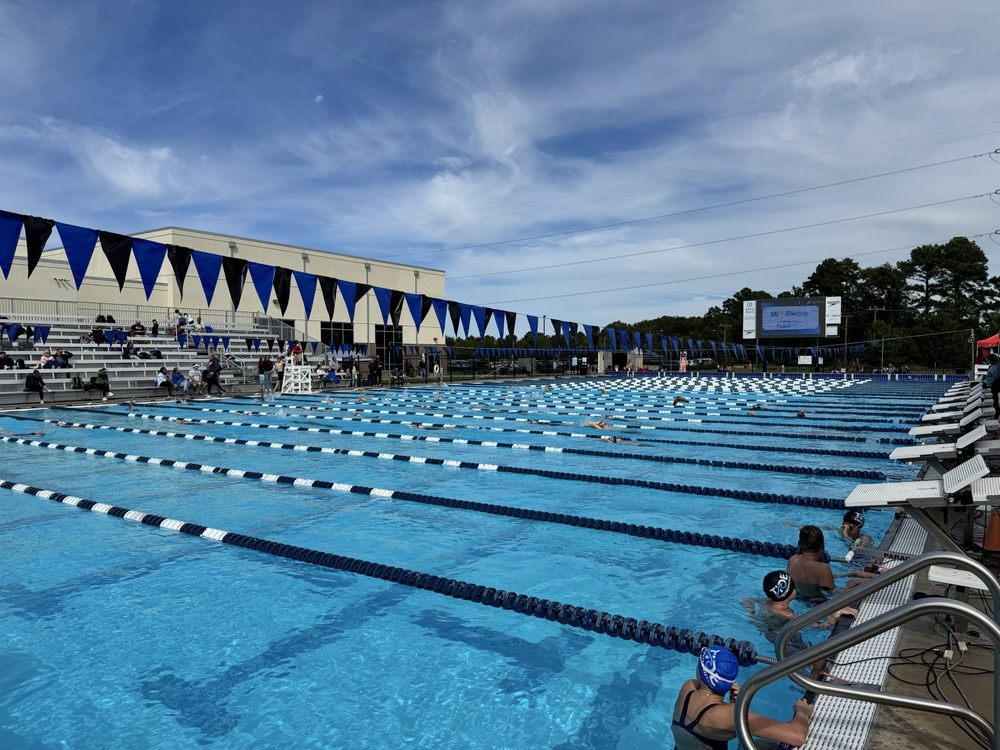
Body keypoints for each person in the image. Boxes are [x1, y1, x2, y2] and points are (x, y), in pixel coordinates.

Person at [671, 645, 813, 749]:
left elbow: (716, 719)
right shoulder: (728, 714)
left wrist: (733, 704)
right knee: (766, 746)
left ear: (700, 673)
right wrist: (802, 712)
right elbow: (797, 736)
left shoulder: (688, 688)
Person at [787, 526, 835, 601]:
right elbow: (832, 594)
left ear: (799, 543)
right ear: (822, 545)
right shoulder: (823, 568)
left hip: (796, 599)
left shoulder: (792, 559)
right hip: (816, 604)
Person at [983, 353, 1000, 419]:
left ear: (990, 360)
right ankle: (997, 410)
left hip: (995, 385)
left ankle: (997, 411)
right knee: (995, 399)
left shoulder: (994, 368)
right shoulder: (996, 365)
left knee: (995, 399)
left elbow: (994, 378)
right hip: (995, 384)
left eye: (987, 360)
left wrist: (987, 385)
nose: (987, 361)